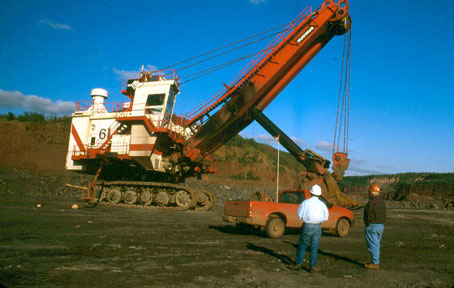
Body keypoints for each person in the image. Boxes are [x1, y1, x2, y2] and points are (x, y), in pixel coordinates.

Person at [288, 184, 329, 273]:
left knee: (302, 246)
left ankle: (298, 264)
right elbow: (326, 217)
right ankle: (312, 266)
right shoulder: (322, 204)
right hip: (318, 227)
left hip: (307, 226)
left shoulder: (305, 202)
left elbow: (299, 215)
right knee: (314, 247)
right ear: (319, 194)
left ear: (310, 193)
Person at [363, 183, 386, 269]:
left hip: (372, 226)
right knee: (376, 244)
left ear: (372, 193)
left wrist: (367, 223)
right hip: (381, 225)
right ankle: (375, 261)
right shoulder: (382, 202)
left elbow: (367, 215)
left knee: (373, 245)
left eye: (369, 192)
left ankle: (375, 263)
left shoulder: (371, 202)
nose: (368, 194)